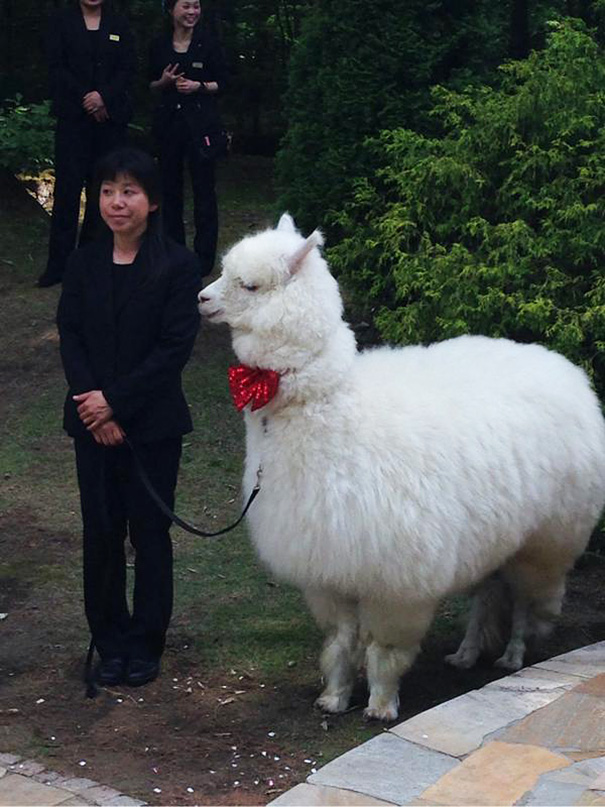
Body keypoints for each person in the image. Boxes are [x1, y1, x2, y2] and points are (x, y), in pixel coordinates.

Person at [56, 147, 202, 687]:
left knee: (149, 532)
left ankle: (145, 643)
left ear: (154, 201)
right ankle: (109, 638)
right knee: (100, 532)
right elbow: (70, 333)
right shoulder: (83, 261)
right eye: (108, 192)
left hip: (152, 425)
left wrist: (115, 402)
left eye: (129, 192)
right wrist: (94, 405)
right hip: (90, 423)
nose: (117, 203)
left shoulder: (177, 266)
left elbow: (172, 348)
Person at [38, 0, 135, 288]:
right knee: (67, 192)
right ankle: (58, 265)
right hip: (73, 121)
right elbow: (56, 67)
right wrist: (87, 99)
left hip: (109, 122)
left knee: (103, 192)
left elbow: (127, 70)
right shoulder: (61, 21)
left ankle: (95, 261)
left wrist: (104, 96)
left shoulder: (119, 24)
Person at [149, 0, 227, 278]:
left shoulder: (209, 42)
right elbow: (149, 85)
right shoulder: (158, 43)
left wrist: (199, 86)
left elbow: (225, 82)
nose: (192, 12)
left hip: (201, 128)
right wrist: (164, 81)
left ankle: (204, 258)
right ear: (171, 10)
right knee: (169, 192)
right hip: (168, 127)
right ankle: (173, 251)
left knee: (204, 193)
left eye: (196, 7)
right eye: (186, 7)